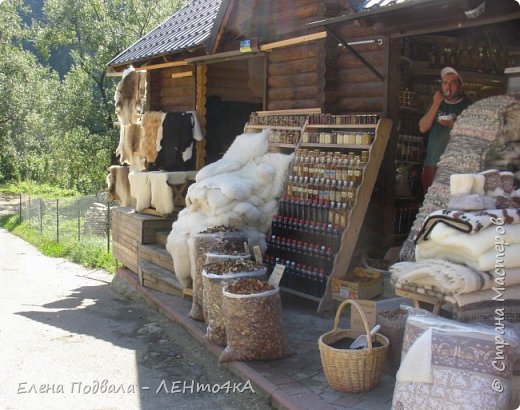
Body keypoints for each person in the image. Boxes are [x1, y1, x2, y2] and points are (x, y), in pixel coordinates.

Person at [419, 67, 471, 192]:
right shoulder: (436, 103)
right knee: (430, 203)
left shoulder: (468, 106)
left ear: (459, 85)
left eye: (453, 82)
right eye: (445, 82)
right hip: (432, 163)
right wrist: (436, 104)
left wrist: (454, 125)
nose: (448, 86)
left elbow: (473, 134)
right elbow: (423, 127)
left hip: (456, 167)